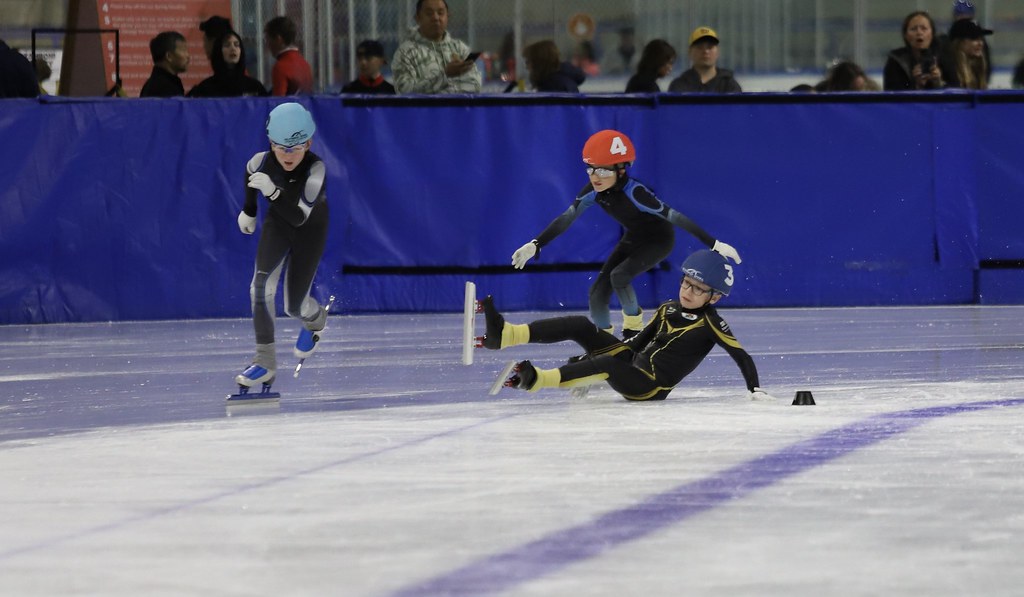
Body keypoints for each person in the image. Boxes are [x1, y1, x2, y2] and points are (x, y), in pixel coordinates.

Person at [510, 129, 741, 338]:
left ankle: (633, 329)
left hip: (659, 241)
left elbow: (675, 217)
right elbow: (566, 218)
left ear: (621, 170)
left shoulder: (636, 193)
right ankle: (602, 342)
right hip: (634, 237)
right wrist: (536, 244)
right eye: (590, 169)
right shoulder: (593, 191)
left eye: (602, 170)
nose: (594, 176)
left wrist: (714, 244)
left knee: (619, 276)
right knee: (597, 292)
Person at [481, 250, 774, 402]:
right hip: (633, 365)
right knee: (582, 325)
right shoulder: (667, 307)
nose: (687, 291)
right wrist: (591, 358)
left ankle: (537, 380)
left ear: (716, 297)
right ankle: (506, 335)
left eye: (698, 289)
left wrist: (755, 390)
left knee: (609, 362)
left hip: (649, 388)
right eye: (686, 282)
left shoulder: (713, 324)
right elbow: (634, 346)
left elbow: (741, 356)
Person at [234, 103, 330, 390]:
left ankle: (316, 320)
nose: (288, 156)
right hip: (278, 226)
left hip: (309, 231)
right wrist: (250, 210)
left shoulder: (316, 170)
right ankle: (264, 361)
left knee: (294, 307)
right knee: (260, 287)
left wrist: (272, 192)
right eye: (281, 148)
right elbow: (250, 174)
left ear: (309, 143)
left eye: (296, 148)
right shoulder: (259, 161)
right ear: (270, 143)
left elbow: (300, 217)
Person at [391, 0, 481, 94]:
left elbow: (475, 85)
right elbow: (404, 92)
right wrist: (445, 75)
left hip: (459, 108)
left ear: (448, 17)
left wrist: (441, 94)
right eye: (429, 13)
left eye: (440, 13)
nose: (436, 17)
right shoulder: (405, 53)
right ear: (417, 18)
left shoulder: (460, 48)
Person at [188, 30, 268, 97]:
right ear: (218, 51)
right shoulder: (206, 88)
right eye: (227, 45)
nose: (233, 48)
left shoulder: (254, 87)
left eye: (237, 45)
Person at [668, 26, 741, 93]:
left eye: (710, 47)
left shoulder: (729, 85)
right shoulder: (679, 85)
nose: (705, 51)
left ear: (718, 52)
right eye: (699, 47)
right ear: (690, 52)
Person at [882, 11, 944, 91]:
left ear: (932, 34)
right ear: (906, 35)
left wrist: (938, 83)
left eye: (924, 28)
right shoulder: (896, 61)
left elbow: (955, 92)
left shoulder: (944, 57)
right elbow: (892, 95)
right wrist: (916, 84)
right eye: (913, 29)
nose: (919, 33)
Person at [264, 16, 313, 95]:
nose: (267, 45)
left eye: (268, 40)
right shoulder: (305, 64)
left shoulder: (281, 67)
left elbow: (279, 102)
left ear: (278, 39)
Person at [944, 19, 992, 89]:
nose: (980, 43)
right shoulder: (948, 72)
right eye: (974, 38)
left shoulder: (980, 69)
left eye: (981, 38)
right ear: (959, 43)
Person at [139, 31, 189, 97]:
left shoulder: (153, 84)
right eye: (183, 50)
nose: (188, 56)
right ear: (169, 56)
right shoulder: (165, 88)